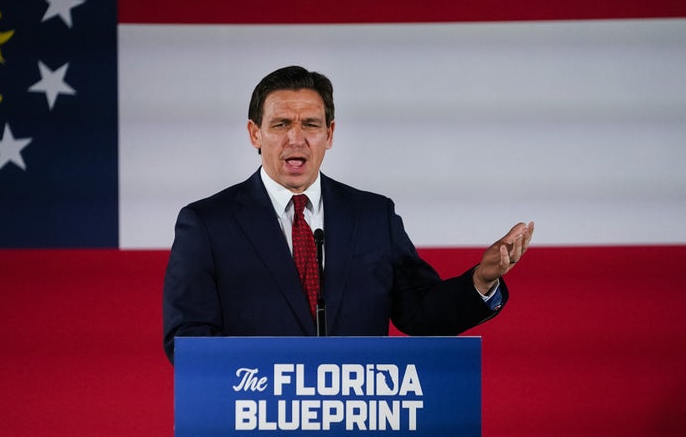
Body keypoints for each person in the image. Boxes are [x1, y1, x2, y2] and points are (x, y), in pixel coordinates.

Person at [162, 65, 534, 364]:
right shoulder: (208, 224)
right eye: (280, 125)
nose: (296, 138)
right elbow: (187, 339)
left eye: (310, 124)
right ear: (255, 134)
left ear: (330, 133)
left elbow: (421, 312)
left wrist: (482, 280)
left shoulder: (373, 216)